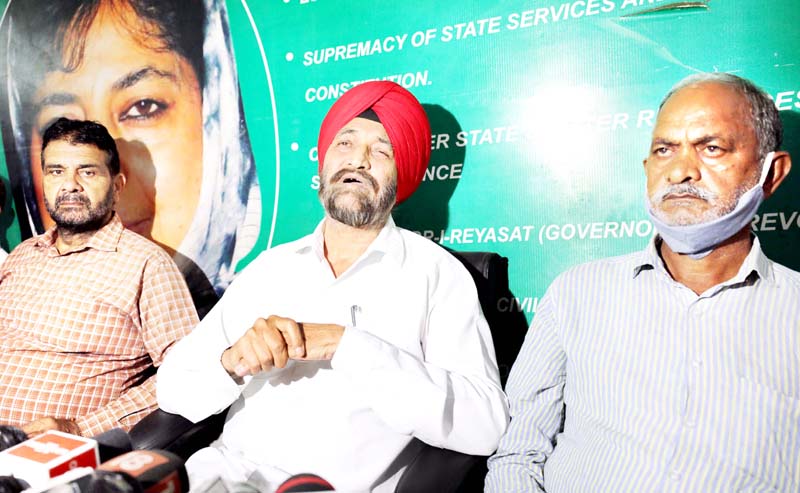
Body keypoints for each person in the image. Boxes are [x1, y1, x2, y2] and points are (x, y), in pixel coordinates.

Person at [157, 81, 509, 492]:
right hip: (224, 477)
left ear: (403, 176)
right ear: (323, 163)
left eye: (382, 151)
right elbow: (173, 388)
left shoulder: (437, 275)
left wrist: (346, 345)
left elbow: (486, 424)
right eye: (345, 143)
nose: (358, 160)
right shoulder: (270, 268)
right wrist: (232, 361)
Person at [486, 72, 799, 492]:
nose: (680, 171)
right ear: (647, 167)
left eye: (711, 148)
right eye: (664, 150)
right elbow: (517, 454)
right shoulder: (577, 293)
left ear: (771, 173)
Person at [0, 0, 261, 316]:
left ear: (214, 110)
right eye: (62, 125)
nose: (101, 174)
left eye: (143, 107)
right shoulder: (20, 278)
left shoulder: (263, 308)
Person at [0, 118, 198, 437]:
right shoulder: (22, 255)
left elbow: (189, 372)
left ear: (117, 187)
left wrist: (80, 428)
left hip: (50, 454)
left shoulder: (145, 264)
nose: (70, 185)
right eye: (56, 171)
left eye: (88, 172)